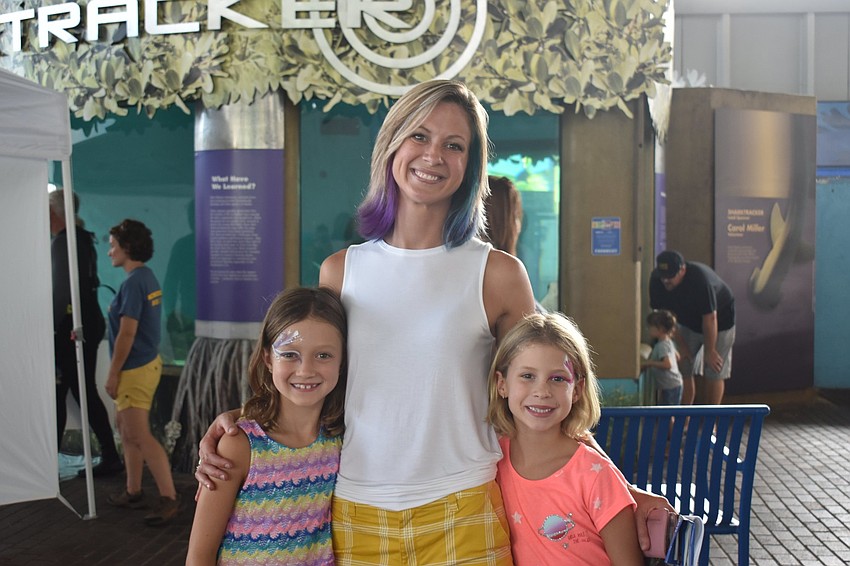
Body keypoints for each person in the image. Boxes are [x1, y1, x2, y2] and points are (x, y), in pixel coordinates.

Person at [196, 79, 672, 562]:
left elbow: (541, 394)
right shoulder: (340, 271)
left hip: (466, 506)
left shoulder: (498, 274)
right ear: (391, 145)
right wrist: (240, 422)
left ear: (471, 166)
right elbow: (312, 384)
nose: (433, 156)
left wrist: (618, 487)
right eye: (419, 136)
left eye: (454, 145)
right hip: (358, 511)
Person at [186, 287, 346, 565]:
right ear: (268, 359)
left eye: (323, 356)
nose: (305, 370)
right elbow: (200, 555)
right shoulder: (239, 445)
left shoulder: (340, 439)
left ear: (343, 361)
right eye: (290, 354)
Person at [488, 312, 643, 565]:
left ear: (577, 390)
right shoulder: (491, 462)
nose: (542, 391)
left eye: (558, 378)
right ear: (501, 384)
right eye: (527, 376)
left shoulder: (596, 476)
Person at [105, 219, 180, 525]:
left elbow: (127, 333)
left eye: (113, 246)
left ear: (127, 247)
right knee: (127, 431)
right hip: (143, 365)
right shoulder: (146, 277)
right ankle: (133, 490)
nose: (110, 251)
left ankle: (169, 498)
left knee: (139, 435)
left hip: (134, 369)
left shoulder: (134, 283)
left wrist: (113, 373)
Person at [49, 190, 123, 477]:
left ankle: (51, 461)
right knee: (80, 391)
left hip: (72, 329)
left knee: (66, 392)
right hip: (86, 323)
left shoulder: (64, 242)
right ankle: (109, 455)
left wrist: (55, 328)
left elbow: (62, 292)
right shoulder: (82, 239)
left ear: (54, 213)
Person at [649, 250, 736, 405]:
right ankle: (684, 415)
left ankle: (710, 416)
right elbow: (666, 319)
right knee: (683, 364)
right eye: (663, 276)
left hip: (720, 321)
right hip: (687, 322)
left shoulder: (700, 280)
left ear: (682, 270)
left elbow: (710, 318)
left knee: (714, 369)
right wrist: (682, 346)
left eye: (670, 276)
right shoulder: (656, 281)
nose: (666, 281)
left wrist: (710, 350)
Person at [483, 175, 547, 314]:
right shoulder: (506, 270)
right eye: (516, 216)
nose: (519, 227)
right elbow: (530, 321)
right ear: (504, 220)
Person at [641, 309, 683, 405]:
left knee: (668, 411)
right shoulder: (668, 341)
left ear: (660, 329)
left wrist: (650, 363)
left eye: (650, 327)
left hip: (670, 386)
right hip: (673, 384)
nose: (648, 329)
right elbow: (677, 357)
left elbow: (667, 365)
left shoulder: (662, 345)